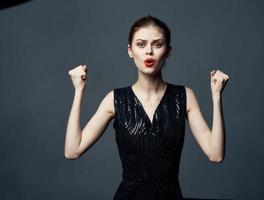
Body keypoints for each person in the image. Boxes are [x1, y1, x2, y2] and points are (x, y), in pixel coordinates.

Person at [64, 15, 230, 200]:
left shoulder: (185, 96)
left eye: (157, 44)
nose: (149, 51)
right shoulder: (115, 99)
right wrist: (79, 91)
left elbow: (215, 154)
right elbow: (72, 150)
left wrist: (216, 96)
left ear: (168, 51)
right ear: (130, 50)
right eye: (141, 44)